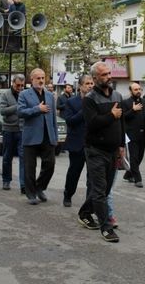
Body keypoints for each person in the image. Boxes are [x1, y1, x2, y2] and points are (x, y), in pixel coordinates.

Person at [77, 61, 125, 243]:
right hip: (95, 150)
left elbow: (122, 123)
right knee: (99, 190)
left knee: (104, 189)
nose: (108, 77)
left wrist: (122, 145)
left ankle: (84, 212)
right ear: (95, 78)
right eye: (104, 75)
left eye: (109, 73)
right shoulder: (89, 99)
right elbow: (92, 123)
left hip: (113, 150)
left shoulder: (118, 96)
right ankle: (106, 227)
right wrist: (111, 115)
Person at [17, 68, 58, 205]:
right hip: (31, 136)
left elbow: (53, 118)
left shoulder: (50, 96)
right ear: (32, 80)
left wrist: (55, 136)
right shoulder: (24, 94)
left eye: (43, 78)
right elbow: (20, 112)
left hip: (48, 135)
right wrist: (37, 109)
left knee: (50, 165)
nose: (41, 80)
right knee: (30, 167)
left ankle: (40, 187)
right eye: (38, 78)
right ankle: (31, 194)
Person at [62, 74, 94, 207]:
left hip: (93, 144)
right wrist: (84, 110)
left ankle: (89, 203)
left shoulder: (96, 101)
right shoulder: (71, 102)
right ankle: (68, 194)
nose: (90, 86)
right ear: (80, 86)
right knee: (74, 173)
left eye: (92, 83)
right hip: (77, 144)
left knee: (92, 177)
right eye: (87, 83)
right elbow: (69, 121)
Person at [122, 82, 145, 187]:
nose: (138, 91)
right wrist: (133, 110)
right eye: (135, 90)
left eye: (139, 89)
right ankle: (138, 179)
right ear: (131, 91)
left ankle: (128, 174)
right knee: (134, 157)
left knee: (140, 157)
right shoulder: (126, 102)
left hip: (143, 133)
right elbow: (122, 117)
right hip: (131, 134)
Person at [0, 74, 26, 192]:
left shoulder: (25, 94)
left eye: (22, 85)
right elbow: (3, 111)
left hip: (22, 130)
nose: (20, 87)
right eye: (17, 85)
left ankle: (23, 184)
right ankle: (6, 180)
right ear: (12, 83)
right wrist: (17, 106)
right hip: (9, 130)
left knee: (23, 157)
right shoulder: (6, 94)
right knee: (7, 157)